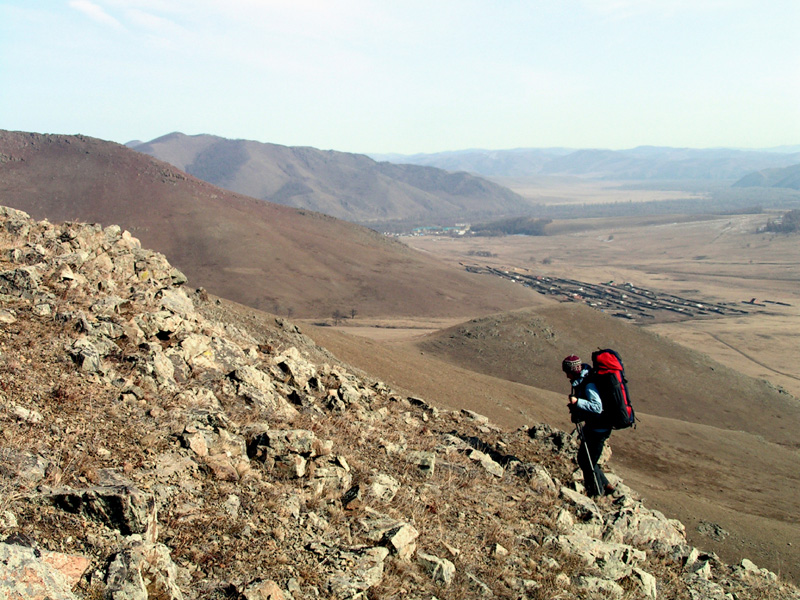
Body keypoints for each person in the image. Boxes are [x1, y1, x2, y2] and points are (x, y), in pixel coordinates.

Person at [562, 354, 615, 497]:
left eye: (568, 372)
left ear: (574, 371)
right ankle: (606, 485)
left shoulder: (589, 384)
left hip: (599, 429)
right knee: (586, 459)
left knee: (587, 463)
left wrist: (577, 402)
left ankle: (596, 493)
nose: (567, 376)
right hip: (594, 427)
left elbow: (597, 407)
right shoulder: (583, 381)